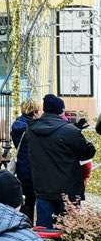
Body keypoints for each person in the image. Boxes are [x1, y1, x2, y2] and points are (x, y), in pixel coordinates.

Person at [27, 94, 96, 228]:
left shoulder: (32, 129)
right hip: (68, 190)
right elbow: (86, 153)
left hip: (43, 187)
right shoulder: (70, 130)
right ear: (61, 110)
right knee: (69, 231)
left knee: (45, 231)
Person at [11, 99, 40, 224]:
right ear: (34, 111)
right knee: (33, 198)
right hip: (34, 165)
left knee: (25, 197)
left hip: (22, 165)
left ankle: (23, 223)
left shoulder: (16, 125)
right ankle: (30, 223)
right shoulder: (34, 127)